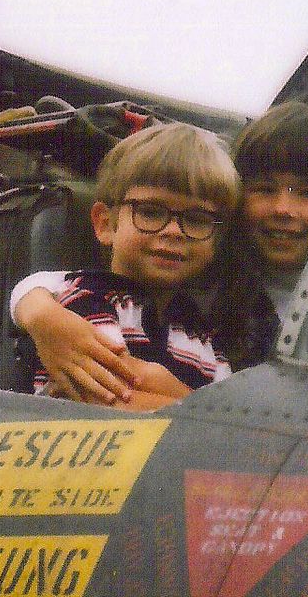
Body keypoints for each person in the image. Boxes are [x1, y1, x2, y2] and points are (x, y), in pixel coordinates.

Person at [11, 101, 308, 405]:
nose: (283, 209)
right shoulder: (201, 284)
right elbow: (107, 383)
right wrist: (42, 314)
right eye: (264, 189)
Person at [13, 122, 240, 410]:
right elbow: (109, 398)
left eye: (197, 219)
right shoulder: (86, 299)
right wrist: (200, 407)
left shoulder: (203, 335)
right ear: (105, 223)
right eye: (150, 212)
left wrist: (164, 388)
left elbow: (231, 420)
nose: (174, 231)